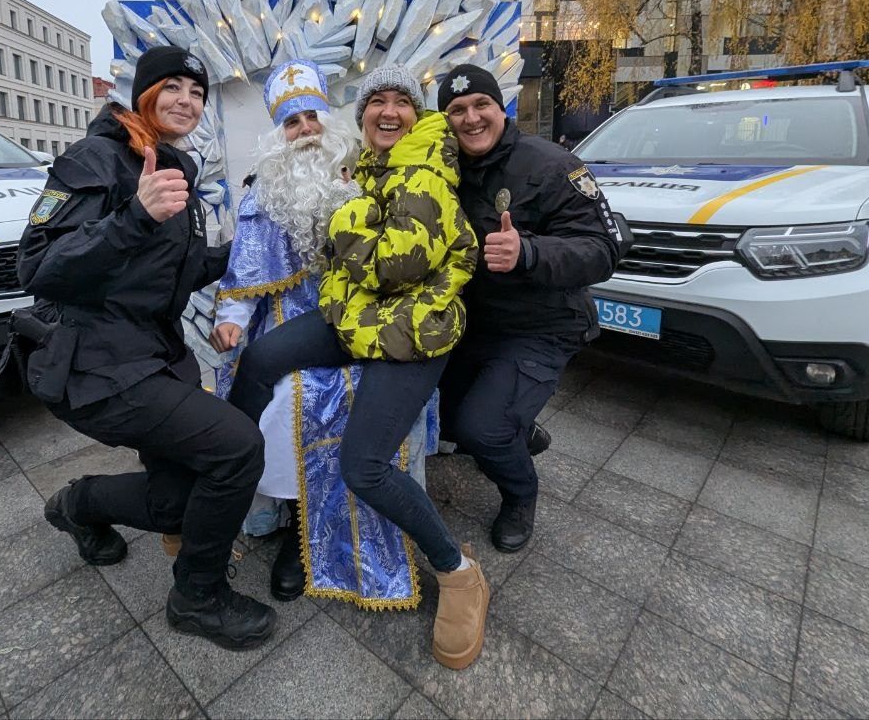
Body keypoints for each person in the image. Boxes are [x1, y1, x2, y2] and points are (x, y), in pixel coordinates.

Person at [227, 65, 490, 670]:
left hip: (412, 331)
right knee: (260, 358)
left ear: (417, 113)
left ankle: (458, 572)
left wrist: (346, 216)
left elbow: (399, 264)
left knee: (363, 466)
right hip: (358, 316)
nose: (389, 112)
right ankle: (222, 480)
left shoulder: (421, 168)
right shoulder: (367, 166)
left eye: (403, 101)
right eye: (378, 101)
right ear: (363, 113)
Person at [14, 45, 276, 651]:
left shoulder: (167, 166)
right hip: (97, 367)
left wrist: (258, 250)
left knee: (178, 502)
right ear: (144, 94)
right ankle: (197, 596)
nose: (186, 100)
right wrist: (134, 214)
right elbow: (37, 266)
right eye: (173, 87)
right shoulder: (97, 158)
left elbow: (168, 274)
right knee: (237, 448)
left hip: (152, 355)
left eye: (197, 91)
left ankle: (79, 504)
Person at [210, 59, 433, 609]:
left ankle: (369, 516)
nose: (306, 129)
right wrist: (230, 322)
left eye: (312, 116)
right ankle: (296, 529)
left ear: (330, 122)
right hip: (287, 319)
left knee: (365, 396)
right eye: (292, 123)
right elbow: (243, 274)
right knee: (289, 398)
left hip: (371, 321)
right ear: (278, 136)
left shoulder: (370, 175)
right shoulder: (262, 194)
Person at [436, 63, 625, 553]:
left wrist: (530, 252)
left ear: (502, 108)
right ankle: (518, 426)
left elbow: (603, 249)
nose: (471, 118)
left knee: (483, 429)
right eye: (457, 110)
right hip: (476, 325)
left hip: (542, 325)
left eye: (481, 105)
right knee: (443, 416)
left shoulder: (551, 164)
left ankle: (521, 494)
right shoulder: (444, 171)